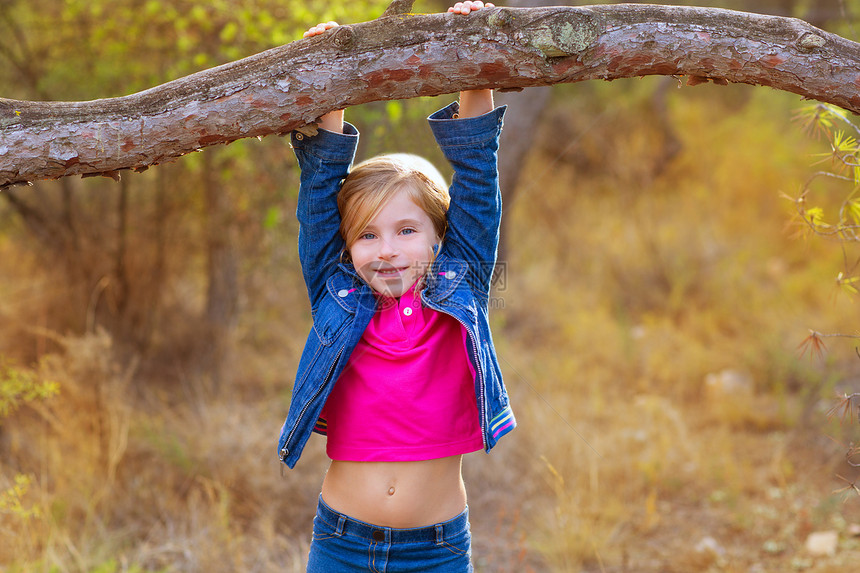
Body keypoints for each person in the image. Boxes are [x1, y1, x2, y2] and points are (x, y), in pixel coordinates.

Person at [277, 2, 514, 571]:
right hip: (341, 543)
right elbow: (318, 199)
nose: (386, 250)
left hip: (436, 551)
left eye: (406, 230)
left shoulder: (459, 289)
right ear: (348, 246)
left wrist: (471, 55)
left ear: (439, 237)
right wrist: (332, 81)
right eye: (367, 235)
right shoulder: (337, 293)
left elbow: (478, 176)